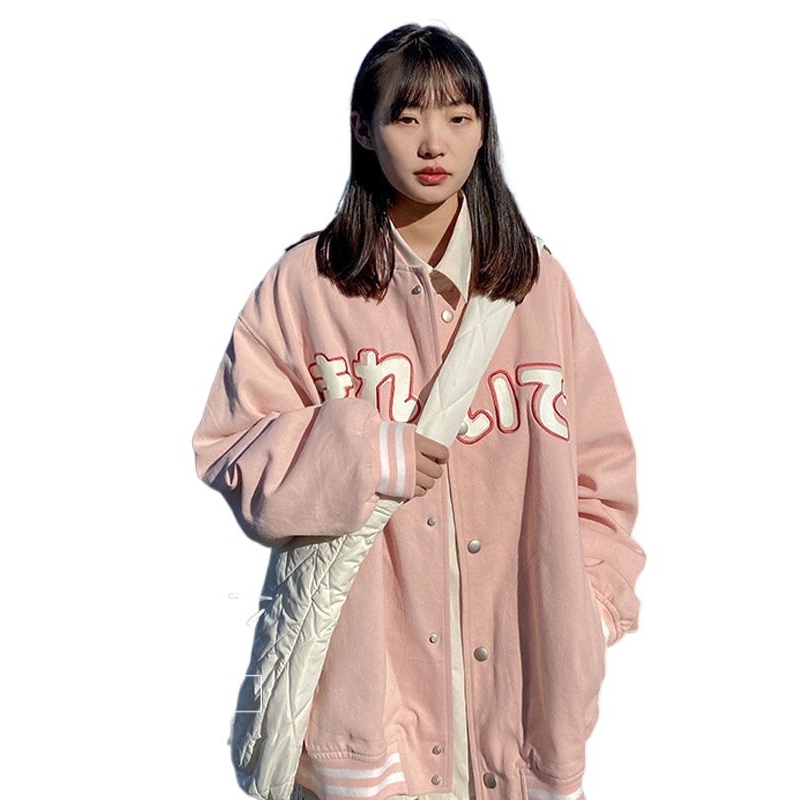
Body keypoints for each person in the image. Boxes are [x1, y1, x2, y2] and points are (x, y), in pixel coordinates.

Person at [192, 22, 646, 800]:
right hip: (367, 706)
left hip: (521, 700)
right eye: (407, 118)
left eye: (458, 117)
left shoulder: (537, 285)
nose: (434, 142)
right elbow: (230, 449)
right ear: (363, 129)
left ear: (483, 130)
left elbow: (601, 474)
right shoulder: (306, 286)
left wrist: (590, 611)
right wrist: (363, 452)